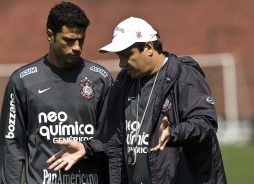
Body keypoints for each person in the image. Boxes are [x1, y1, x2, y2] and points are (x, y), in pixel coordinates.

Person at [47, 17, 227, 184]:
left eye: (126, 55)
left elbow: (206, 123)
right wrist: (87, 148)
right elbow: (113, 138)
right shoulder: (124, 82)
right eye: (119, 56)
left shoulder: (184, 76)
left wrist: (174, 133)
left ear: (149, 47)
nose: (121, 63)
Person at [0, 2, 112, 184]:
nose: (77, 47)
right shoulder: (23, 81)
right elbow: (11, 144)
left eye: (81, 40)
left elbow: (112, 137)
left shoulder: (100, 78)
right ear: (50, 36)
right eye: (69, 40)